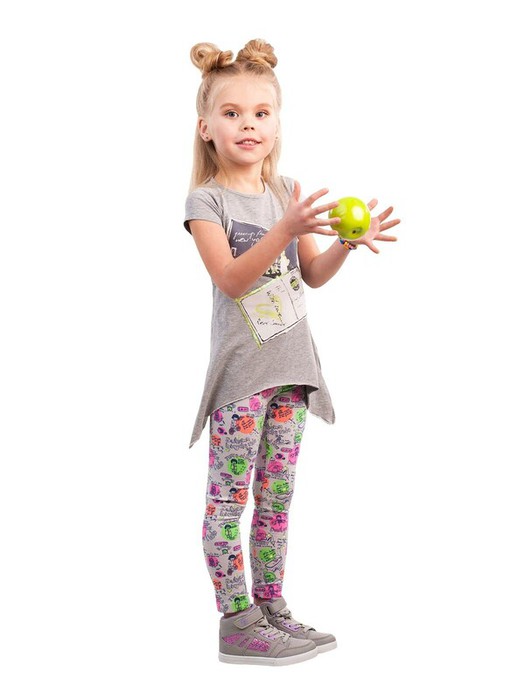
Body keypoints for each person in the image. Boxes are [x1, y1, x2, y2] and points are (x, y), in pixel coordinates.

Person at [184, 38, 400, 666]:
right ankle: (236, 621)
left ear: (277, 123)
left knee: (276, 500)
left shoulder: (287, 192)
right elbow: (230, 279)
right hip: (241, 377)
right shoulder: (207, 202)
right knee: (229, 499)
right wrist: (284, 228)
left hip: (293, 371)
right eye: (232, 113)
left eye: (261, 112)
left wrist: (346, 245)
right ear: (206, 127)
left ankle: (271, 608)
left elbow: (311, 275)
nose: (248, 124)